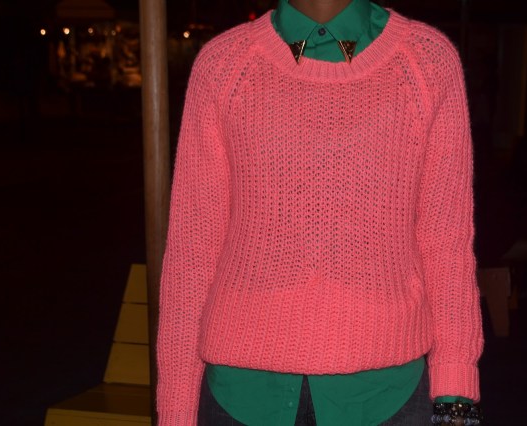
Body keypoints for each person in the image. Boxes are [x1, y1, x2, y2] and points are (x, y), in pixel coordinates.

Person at [157, 1, 484, 425]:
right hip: (241, 396)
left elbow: (447, 242)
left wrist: (456, 397)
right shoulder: (223, 65)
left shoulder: (427, 62)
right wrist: (176, 409)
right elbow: (192, 252)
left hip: (388, 397)